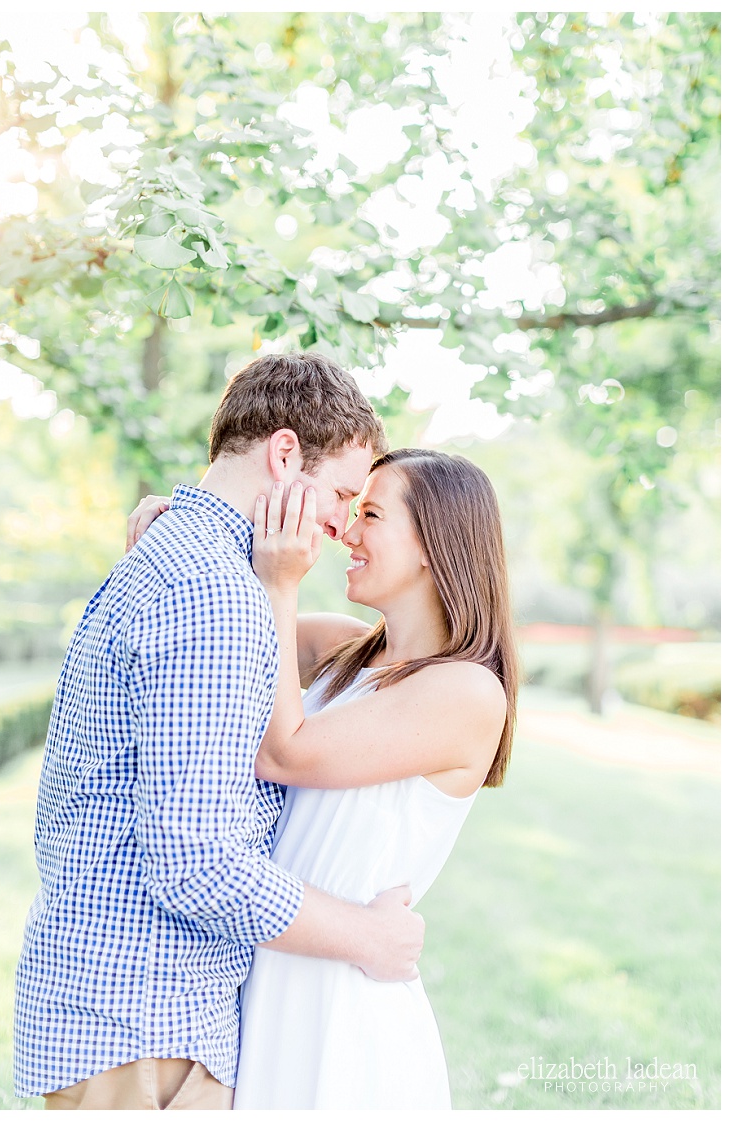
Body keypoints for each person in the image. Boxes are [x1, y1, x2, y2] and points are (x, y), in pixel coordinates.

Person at [13, 352, 425, 1111]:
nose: (341, 525)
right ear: (284, 453)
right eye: (341, 493)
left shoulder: (184, 559)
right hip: (146, 1022)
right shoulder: (214, 595)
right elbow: (197, 861)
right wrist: (371, 939)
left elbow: (339, 654)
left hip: (124, 1013)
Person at [127, 448, 518, 1108]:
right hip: (273, 973)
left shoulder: (467, 692)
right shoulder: (348, 652)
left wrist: (282, 584)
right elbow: (222, 624)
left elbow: (285, 753)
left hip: (343, 1007)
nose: (346, 532)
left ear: (434, 542)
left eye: (370, 513)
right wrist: (182, 532)